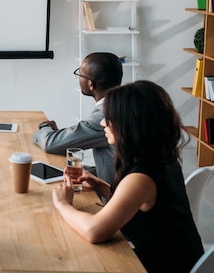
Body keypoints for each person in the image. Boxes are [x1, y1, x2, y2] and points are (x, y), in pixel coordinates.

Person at [52, 80, 204, 272]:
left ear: (130, 124)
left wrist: (62, 204)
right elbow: (144, 209)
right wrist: (101, 186)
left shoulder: (141, 177)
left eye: (109, 118)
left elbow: (94, 231)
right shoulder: (162, 158)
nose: (102, 123)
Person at [33, 52, 123, 183]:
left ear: (91, 84)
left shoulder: (105, 114)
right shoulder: (124, 104)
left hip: (114, 197)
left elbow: (51, 143)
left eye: (80, 74)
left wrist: (44, 127)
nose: (78, 78)